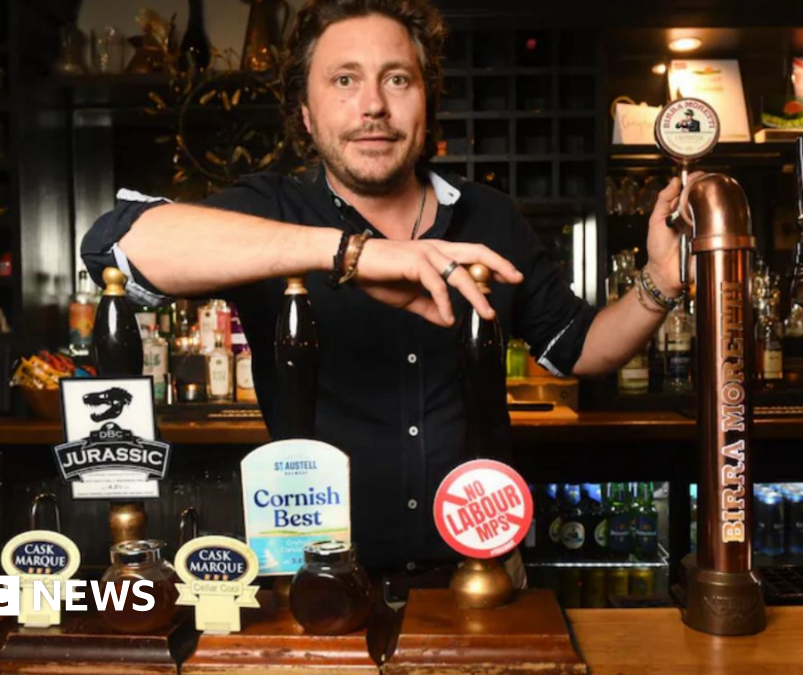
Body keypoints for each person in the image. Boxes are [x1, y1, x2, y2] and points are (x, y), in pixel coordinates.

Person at [83, 0, 693, 573]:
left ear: (426, 102)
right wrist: (352, 253)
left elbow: (580, 349)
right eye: (344, 80)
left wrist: (660, 282)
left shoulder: (491, 217)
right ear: (305, 112)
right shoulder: (271, 210)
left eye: (397, 79)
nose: (372, 105)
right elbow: (116, 246)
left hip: (479, 566)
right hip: (315, 571)